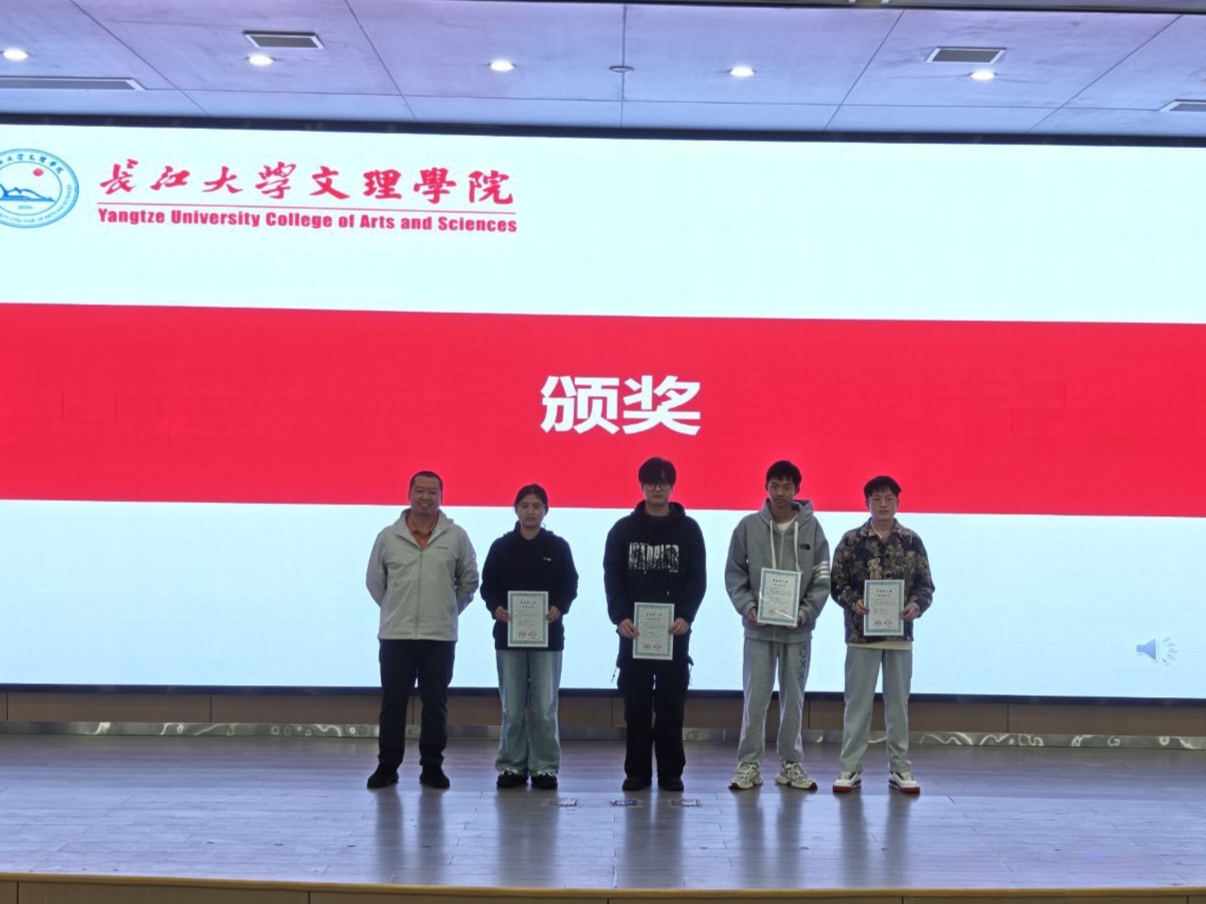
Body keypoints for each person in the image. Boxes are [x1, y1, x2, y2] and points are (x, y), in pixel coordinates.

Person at [365, 470, 479, 790]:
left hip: (438, 636)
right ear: (409, 494)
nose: (425, 497)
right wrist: (394, 607)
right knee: (393, 703)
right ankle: (387, 766)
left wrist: (445, 609)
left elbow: (469, 581)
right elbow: (375, 582)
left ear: (441, 497)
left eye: (432, 492)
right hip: (396, 635)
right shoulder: (388, 536)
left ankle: (432, 767)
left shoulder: (457, 536)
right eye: (420, 491)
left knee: (435, 705)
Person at [725, 460, 830, 792]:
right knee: (755, 699)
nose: (780, 492)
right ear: (766, 487)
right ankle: (749, 764)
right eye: (775, 485)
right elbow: (734, 575)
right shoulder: (748, 527)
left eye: (787, 486)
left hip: (797, 632)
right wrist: (748, 607)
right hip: (758, 631)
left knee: (794, 700)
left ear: (797, 490)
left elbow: (822, 577)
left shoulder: (813, 529)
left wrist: (805, 613)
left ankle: (791, 763)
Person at [603, 456, 706, 793]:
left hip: (674, 634)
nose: (657, 488)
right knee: (635, 707)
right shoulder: (623, 530)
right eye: (651, 482)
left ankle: (671, 773)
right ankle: (636, 772)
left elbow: (697, 579)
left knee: (671, 707)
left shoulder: (689, 530)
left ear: (672, 486)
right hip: (633, 633)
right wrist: (620, 616)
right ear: (642, 486)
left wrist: (686, 616)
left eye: (663, 482)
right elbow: (613, 577)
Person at [830, 475, 935, 795]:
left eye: (889, 498)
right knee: (857, 705)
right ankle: (850, 767)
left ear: (898, 502)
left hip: (899, 637)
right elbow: (836, 584)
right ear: (867, 503)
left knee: (898, 706)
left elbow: (925, 587)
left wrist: (915, 606)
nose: (883, 504)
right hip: (861, 636)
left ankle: (900, 769)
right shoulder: (851, 541)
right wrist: (854, 601)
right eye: (876, 498)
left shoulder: (912, 541)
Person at [481, 484, 580, 790]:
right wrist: (495, 607)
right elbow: (488, 585)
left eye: (537, 506)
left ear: (546, 510)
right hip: (508, 637)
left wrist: (559, 607)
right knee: (512, 708)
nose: (530, 511)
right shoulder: (501, 547)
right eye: (524, 505)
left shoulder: (558, 547)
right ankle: (511, 765)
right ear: (516, 510)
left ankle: (544, 767)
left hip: (548, 639)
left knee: (545, 707)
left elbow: (570, 584)